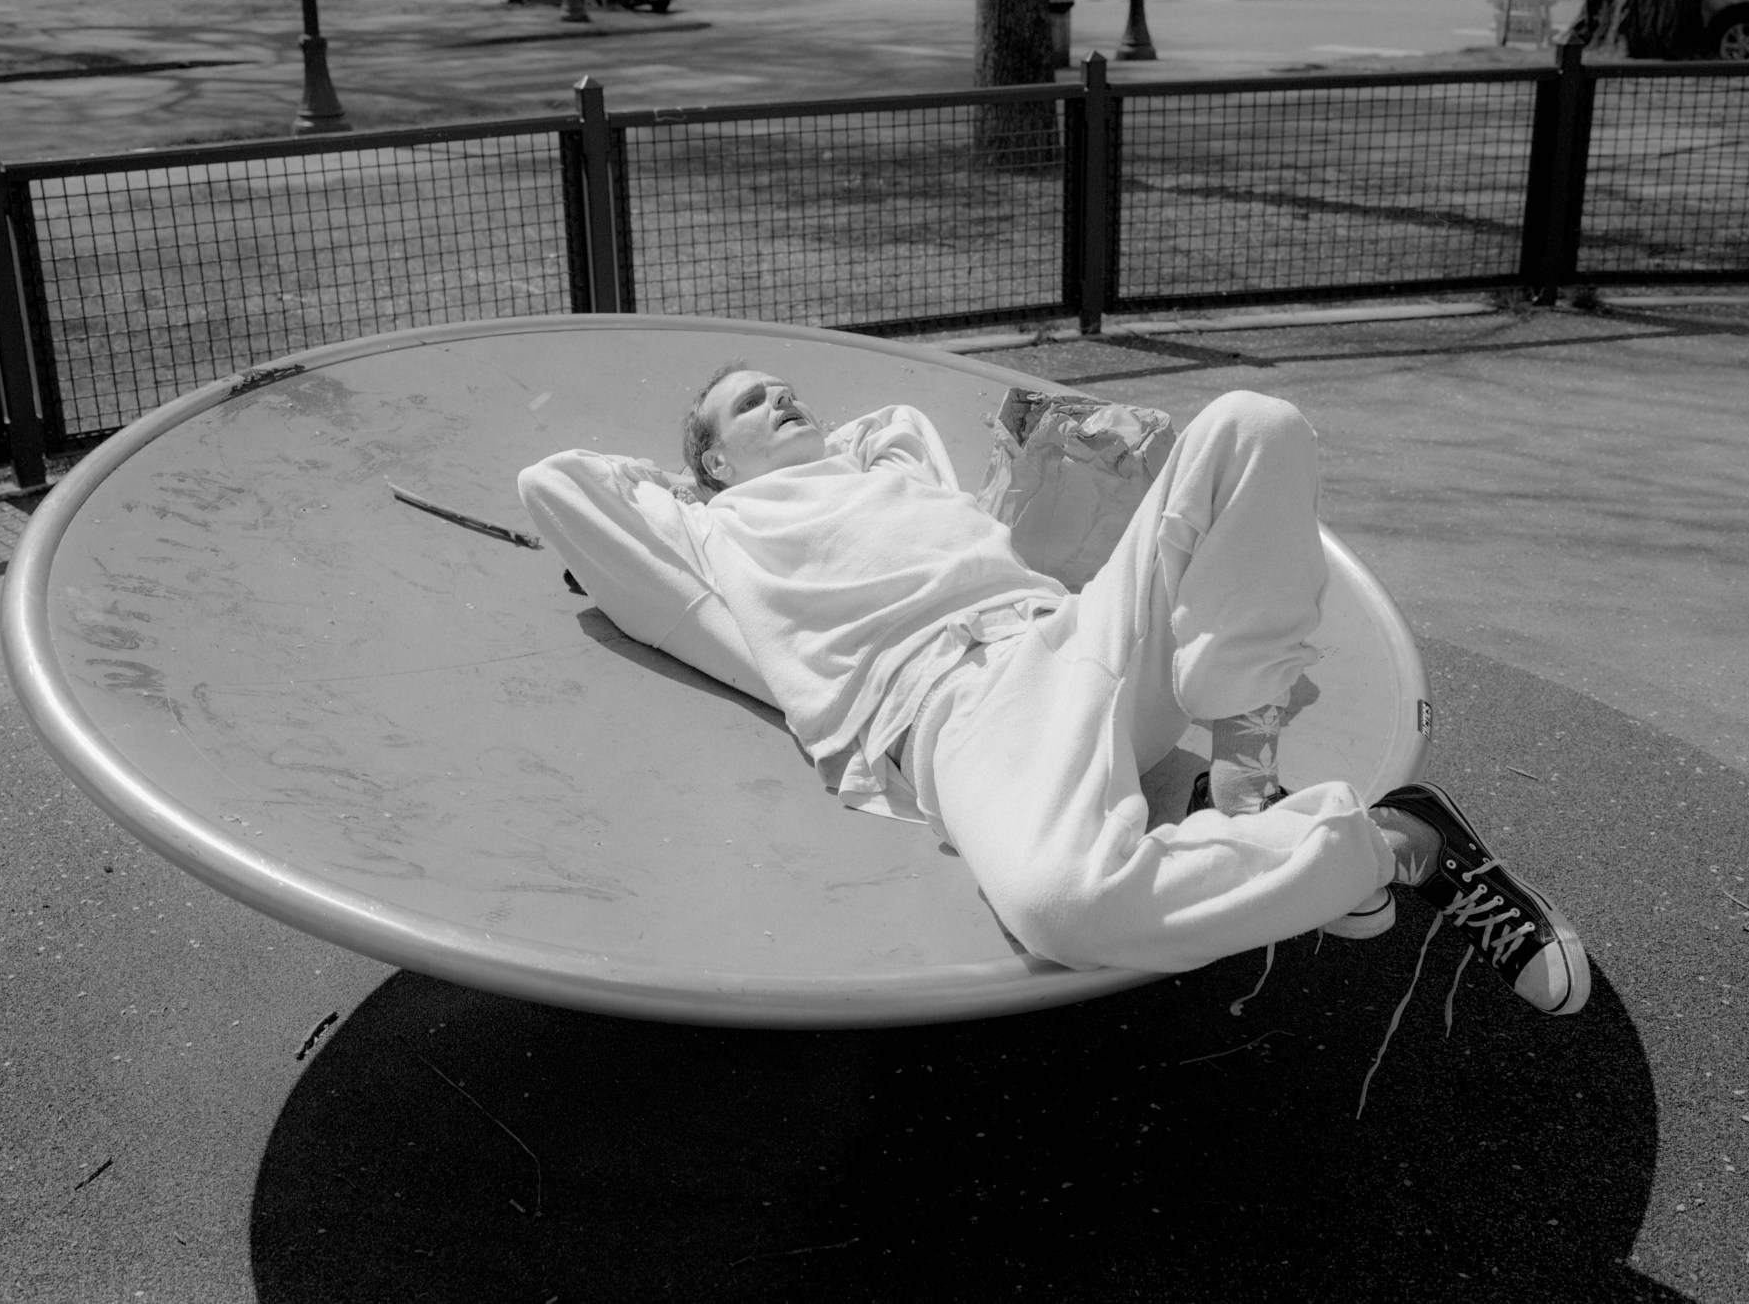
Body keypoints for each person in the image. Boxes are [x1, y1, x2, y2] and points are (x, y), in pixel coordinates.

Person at [519, 365, 1589, 1016]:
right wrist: (673, 490)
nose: (785, 397)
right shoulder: (712, 536)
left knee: (1253, 422)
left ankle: (1246, 779)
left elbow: (899, 426)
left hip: (1067, 638)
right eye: (750, 402)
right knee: (1062, 908)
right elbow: (557, 487)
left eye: (785, 388)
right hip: (951, 711)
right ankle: (1398, 846)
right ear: (710, 461)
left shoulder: (890, 472)